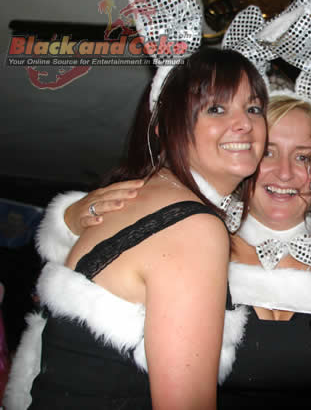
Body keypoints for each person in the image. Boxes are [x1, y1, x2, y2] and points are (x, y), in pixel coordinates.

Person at [29, 94, 311, 409]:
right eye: (268, 152)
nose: (285, 172)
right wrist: (71, 222)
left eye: (303, 157)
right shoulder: (186, 237)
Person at [4, 46, 269, 410]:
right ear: (165, 127)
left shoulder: (142, 201)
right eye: (216, 109)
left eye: (253, 108)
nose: (245, 123)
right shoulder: (192, 227)